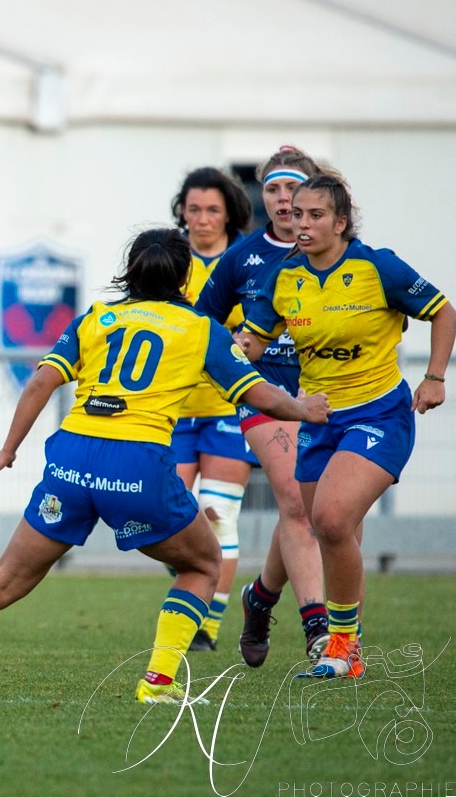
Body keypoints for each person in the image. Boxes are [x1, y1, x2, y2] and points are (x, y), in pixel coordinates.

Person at [0, 228, 331, 704]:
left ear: (129, 270)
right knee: (202, 564)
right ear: (185, 276)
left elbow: (39, 384)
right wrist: (306, 409)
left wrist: (7, 451)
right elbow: (260, 394)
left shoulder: (96, 318)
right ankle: (157, 683)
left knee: (6, 577)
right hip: (137, 462)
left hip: (71, 460)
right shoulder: (201, 329)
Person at [237, 175, 453, 679]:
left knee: (332, 521)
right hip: (320, 416)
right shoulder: (284, 277)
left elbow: (443, 312)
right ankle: (268, 600)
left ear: (340, 222)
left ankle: (342, 646)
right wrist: (219, 355)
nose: (301, 223)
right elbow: (254, 342)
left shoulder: (377, 266)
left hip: (379, 413)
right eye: (295, 214)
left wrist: (435, 378)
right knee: (325, 530)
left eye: (314, 215)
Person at [196, 146, 331, 666]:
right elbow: (201, 320)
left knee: (331, 517)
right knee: (298, 504)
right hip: (267, 397)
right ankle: (320, 630)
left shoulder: (344, 255)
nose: (281, 198)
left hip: (331, 393)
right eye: (272, 188)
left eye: (292, 189)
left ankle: (261, 597)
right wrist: (231, 349)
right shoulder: (243, 256)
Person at [168, 167, 255, 651]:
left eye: (212, 210)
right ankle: (187, 571)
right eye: (194, 208)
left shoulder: (248, 259)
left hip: (228, 405)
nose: (201, 219)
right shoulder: (169, 255)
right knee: (166, 510)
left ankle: (207, 626)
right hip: (175, 408)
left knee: (219, 513)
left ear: (229, 214)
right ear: (182, 209)